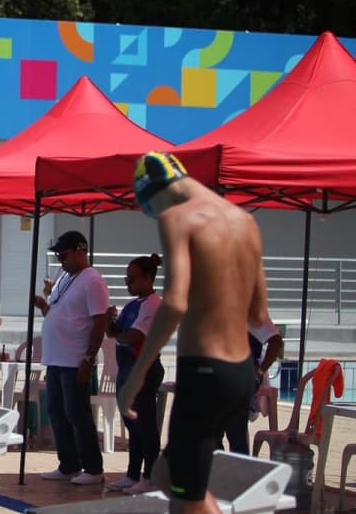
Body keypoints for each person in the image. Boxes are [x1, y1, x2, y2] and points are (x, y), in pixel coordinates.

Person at [118, 151, 272, 514]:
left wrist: (137, 375)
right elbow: (258, 312)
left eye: (150, 208)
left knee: (184, 495)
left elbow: (175, 302)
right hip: (239, 374)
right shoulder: (245, 222)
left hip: (204, 372)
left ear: (156, 192)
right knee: (167, 473)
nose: (154, 216)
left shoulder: (177, 217)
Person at [30, 230, 109, 485]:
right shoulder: (66, 278)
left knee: (78, 414)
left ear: (79, 250)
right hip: (56, 359)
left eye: (63, 255)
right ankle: (69, 464)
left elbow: (100, 321)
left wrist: (89, 359)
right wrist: (44, 306)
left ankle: (93, 468)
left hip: (75, 360)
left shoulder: (92, 280)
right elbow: (59, 314)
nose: (61, 260)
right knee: (57, 413)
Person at [105, 254, 165, 494]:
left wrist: (118, 332)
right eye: (125, 278)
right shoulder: (133, 305)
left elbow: (134, 336)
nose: (127, 283)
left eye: (131, 278)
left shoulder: (154, 304)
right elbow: (113, 333)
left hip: (143, 369)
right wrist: (110, 320)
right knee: (132, 425)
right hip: (127, 369)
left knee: (145, 425)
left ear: (148, 278)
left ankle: (150, 476)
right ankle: (132, 474)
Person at [222, 318, 284, 454]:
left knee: (230, 433)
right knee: (232, 434)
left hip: (236, 376)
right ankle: (228, 470)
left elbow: (276, 342)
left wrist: (260, 372)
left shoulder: (250, 310)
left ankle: (225, 471)